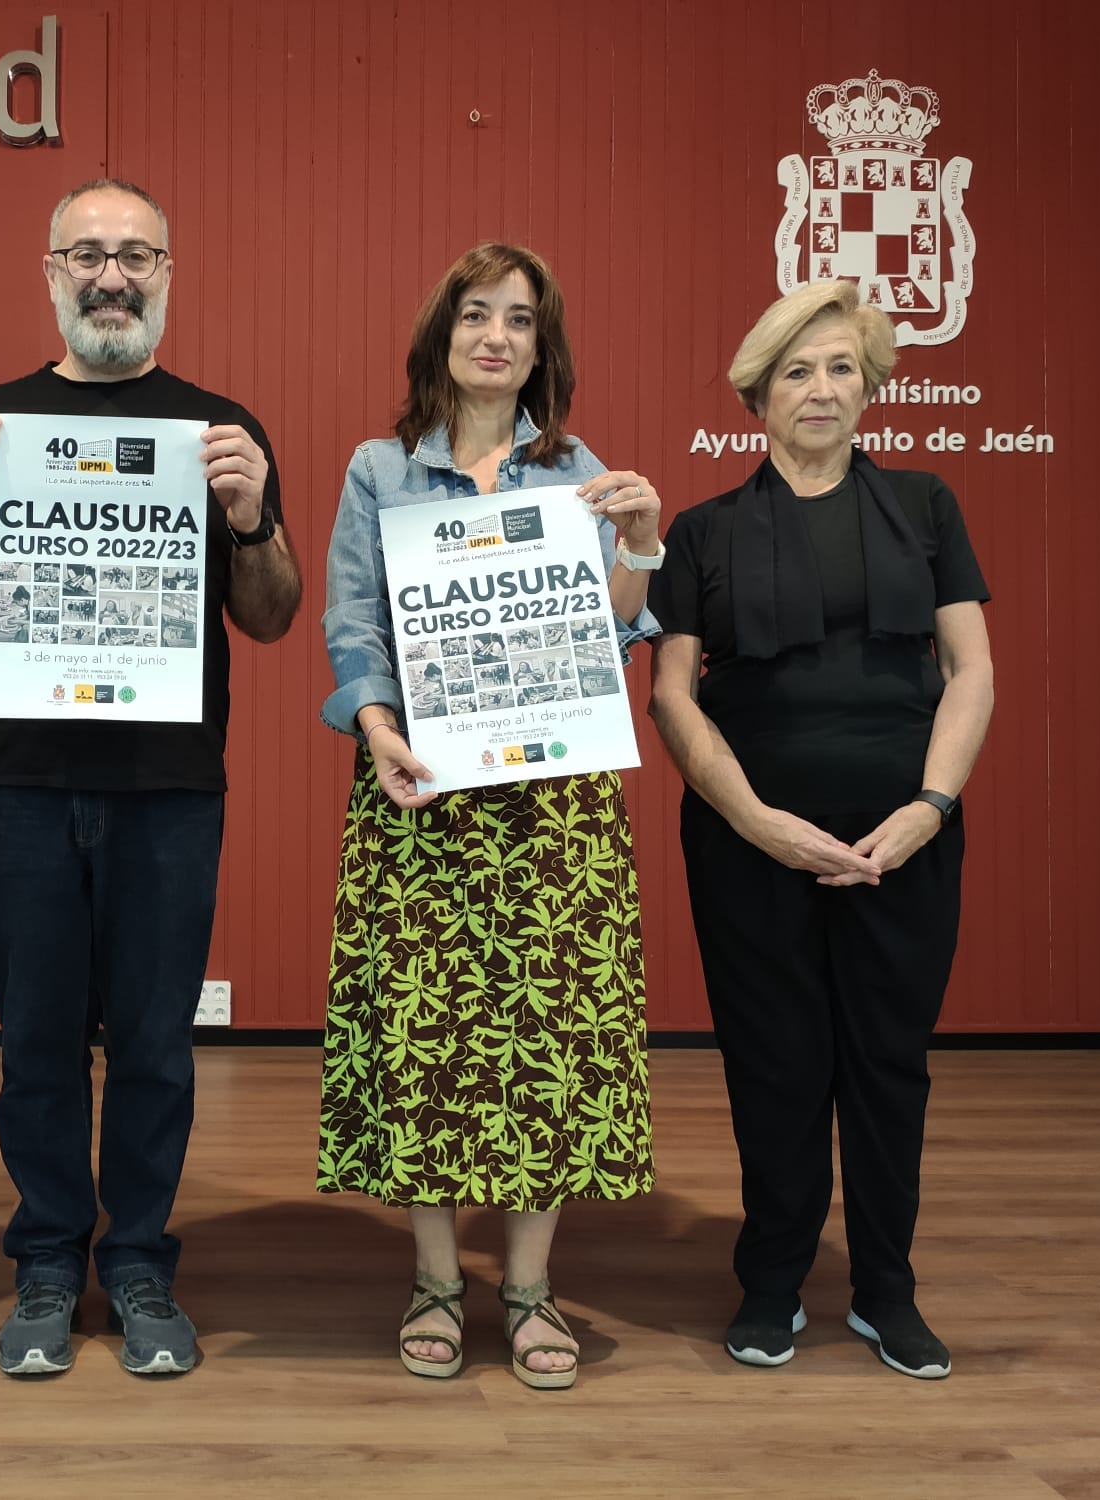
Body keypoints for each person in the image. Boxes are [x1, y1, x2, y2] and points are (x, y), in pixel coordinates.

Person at [0, 178, 302, 1378]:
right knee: (33, 1042)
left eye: (135, 254)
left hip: (170, 785)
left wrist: (249, 520)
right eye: (86, 254)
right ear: (50, 273)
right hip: (22, 781)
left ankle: (133, 1258)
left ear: (169, 273)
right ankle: (42, 1261)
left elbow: (273, 618)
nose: (110, 276)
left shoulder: (218, 427)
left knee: (151, 1046)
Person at [317, 243, 663, 1389]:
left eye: (518, 320)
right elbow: (353, 625)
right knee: (424, 1038)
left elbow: (613, 636)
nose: (494, 337)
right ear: (442, 335)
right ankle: (430, 1279)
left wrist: (640, 546)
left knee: (545, 1037)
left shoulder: (576, 473)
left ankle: (524, 1288)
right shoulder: (379, 469)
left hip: (549, 806)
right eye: (476, 315)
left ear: (540, 349)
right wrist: (373, 730)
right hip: (419, 790)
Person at [645, 279, 993, 1379]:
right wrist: (751, 819)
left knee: (887, 1065)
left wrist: (928, 808)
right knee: (774, 1063)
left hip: (903, 838)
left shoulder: (927, 506)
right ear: (756, 392)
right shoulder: (699, 532)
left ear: (871, 386)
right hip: (748, 843)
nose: (819, 389)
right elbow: (670, 695)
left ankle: (886, 1292)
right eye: (795, 370)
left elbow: (970, 671)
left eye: (840, 367)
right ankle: (771, 1282)